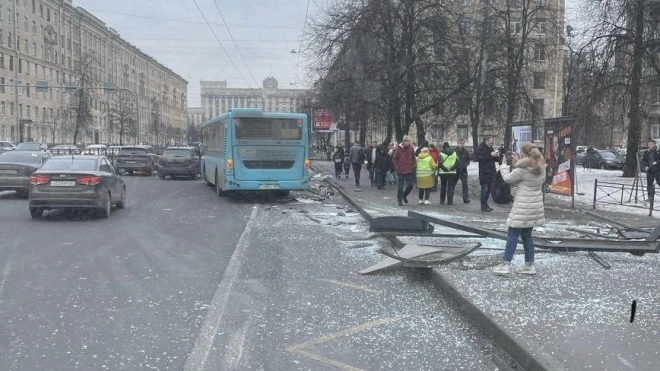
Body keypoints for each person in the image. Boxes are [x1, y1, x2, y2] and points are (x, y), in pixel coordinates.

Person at [493, 142, 546, 276]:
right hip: (535, 208)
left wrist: (503, 166)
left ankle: (505, 265)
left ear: (524, 153)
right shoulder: (541, 168)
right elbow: (529, 168)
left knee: (512, 234)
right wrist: (519, 162)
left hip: (522, 208)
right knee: (527, 235)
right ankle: (529, 265)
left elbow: (508, 179)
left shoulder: (522, 170)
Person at [392, 135, 416, 206]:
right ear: (403, 141)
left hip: (409, 170)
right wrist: (397, 167)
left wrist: (413, 166)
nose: (408, 143)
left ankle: (404, 195)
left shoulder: (411, 149)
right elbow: (394, 159)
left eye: (409, 141)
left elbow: (413, 158)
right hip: (401, 170)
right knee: (400, 186)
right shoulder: (398, 149)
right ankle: (399, 200)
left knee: (411, 184)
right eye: (406, 141)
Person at [477, 137, 500, 212]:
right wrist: (490, 155)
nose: (491, 144)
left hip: (491, 171)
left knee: (489, 189)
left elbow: (493, 159)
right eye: (490, 143)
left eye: (492, 143)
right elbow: (481, 158)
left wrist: (496, 156)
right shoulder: (481, 148)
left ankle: (486, 204)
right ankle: (483, 206)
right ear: (486, 141)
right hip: (484, 172)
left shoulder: (490, 148)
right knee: (484, 189)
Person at [642, 139, 660, 205]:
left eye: (650, 144)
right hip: (650, 171)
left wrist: (657, 163)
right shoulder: (646, 152)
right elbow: (644, 161)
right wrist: (646, 166)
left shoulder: (658, 152)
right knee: (649, 184)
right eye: (648, 144)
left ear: (654, 145)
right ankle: (650, 197)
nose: (649, 145)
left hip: (657, 170)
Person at [455, 139, 471, 203]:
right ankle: (449, 198)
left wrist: (466, 164)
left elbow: (468, 159)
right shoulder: (454, 151)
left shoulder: (466, 151)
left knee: (465, 185)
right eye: (460, 143)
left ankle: (465, 199)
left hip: (463, 170)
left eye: (463, 143)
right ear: (458, 143)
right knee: (452, 185)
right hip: (456, 170)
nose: (461, 144)